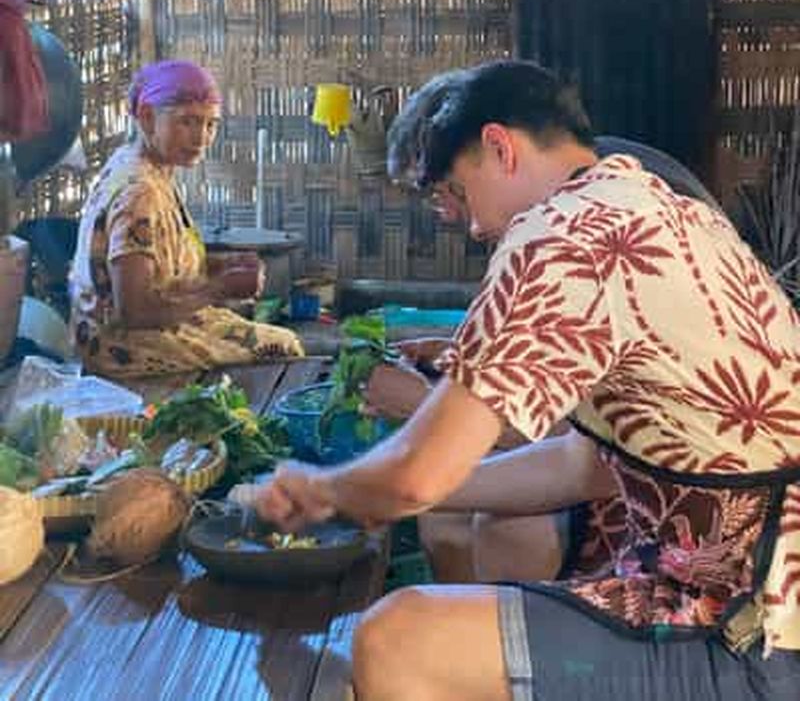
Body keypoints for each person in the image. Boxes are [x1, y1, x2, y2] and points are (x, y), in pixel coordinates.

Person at [244, 59, 800, 701]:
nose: (473, 225)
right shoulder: (653, 204)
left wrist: (318, 489)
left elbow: (414, 473)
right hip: (729, 596)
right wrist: (413, 493)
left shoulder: (561, 235)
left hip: (751, 624)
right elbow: (583, 465)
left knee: (397, 638)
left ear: (499, 147)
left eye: (456, 191)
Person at [69, 60, 303, 377]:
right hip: (121, 347)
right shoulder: (139, 194)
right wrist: (217, 289)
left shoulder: (143, 166)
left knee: (267, 336)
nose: (201, 137)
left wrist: (221, 265)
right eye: (187, 122)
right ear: (148, 118)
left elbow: (159, 262)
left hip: (120, 332)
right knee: (283, 346)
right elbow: (134, 311)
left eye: (210, 124)